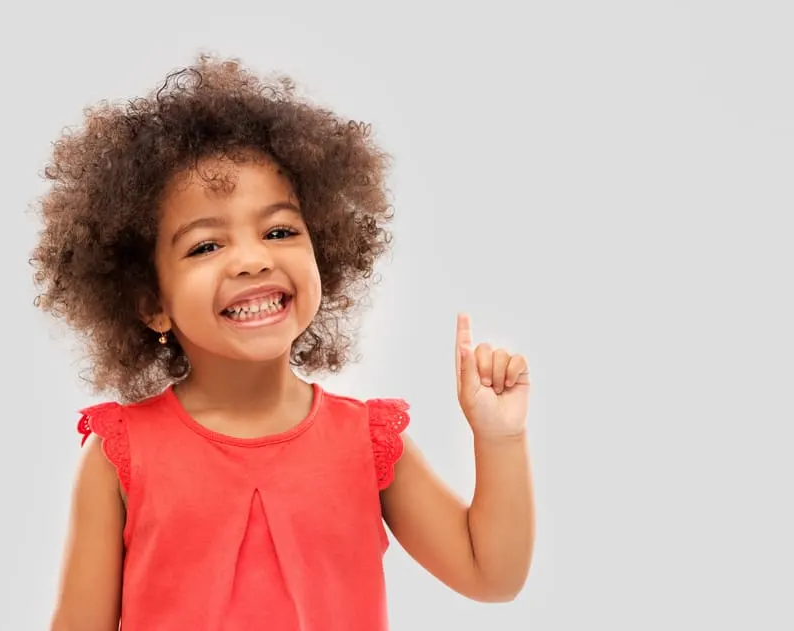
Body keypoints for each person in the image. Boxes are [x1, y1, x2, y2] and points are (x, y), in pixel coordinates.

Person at [31, 54, 535, 631]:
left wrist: (501, 439)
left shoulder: (368, 443)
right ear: (151, 302)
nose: (252, 260)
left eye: (279, 231)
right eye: (205, 246)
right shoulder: (121, 455)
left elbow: (491, 576)